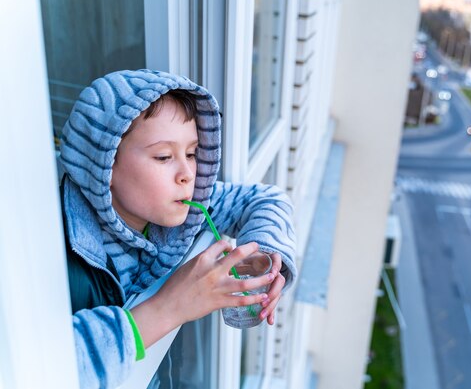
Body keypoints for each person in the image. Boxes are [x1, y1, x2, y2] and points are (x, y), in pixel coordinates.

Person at [59, 69, 297, 388]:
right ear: (103, 165)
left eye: (192, 153)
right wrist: (171, 306)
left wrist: (264, 251)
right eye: (163, 156)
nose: (187, 174)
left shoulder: (179, 208)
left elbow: (267, 199)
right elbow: (46, 368)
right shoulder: (59, 264)